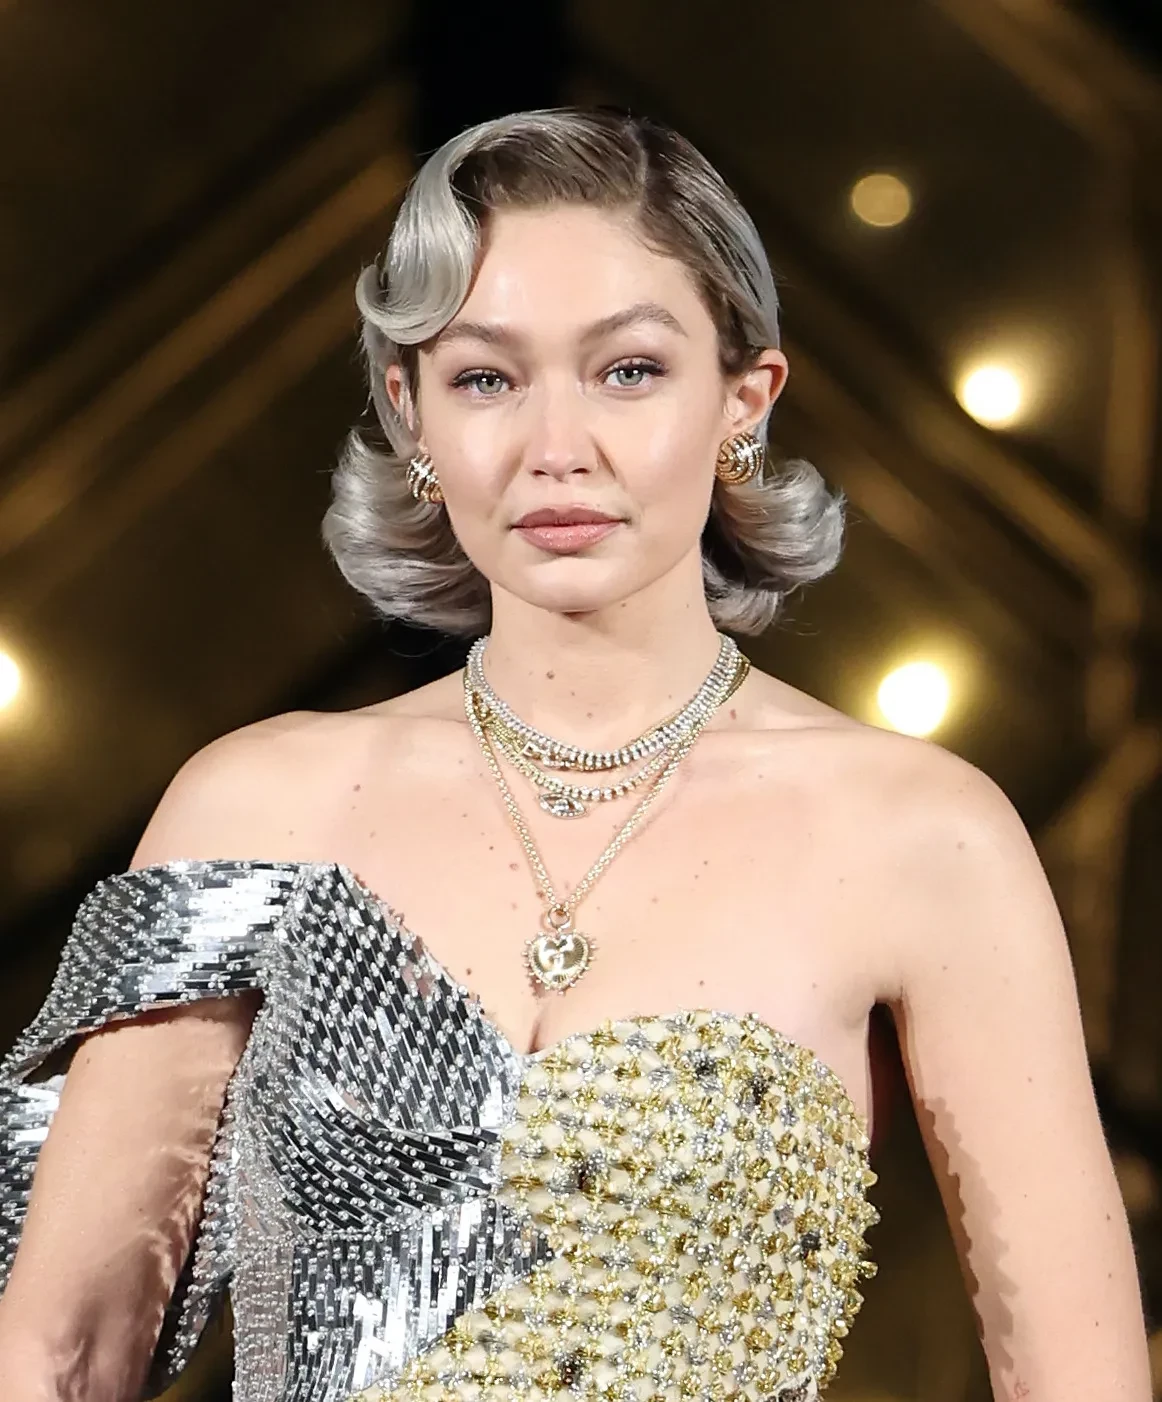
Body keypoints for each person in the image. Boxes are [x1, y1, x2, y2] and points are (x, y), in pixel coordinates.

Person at [0, 107, 1150, 1402]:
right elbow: (59, 1350)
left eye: (628, 371)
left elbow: (1081, 1377)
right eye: (486, 378)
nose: (557, 449)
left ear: (743, 401)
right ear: (409, 411)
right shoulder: (253, 804)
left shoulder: (922, 837)